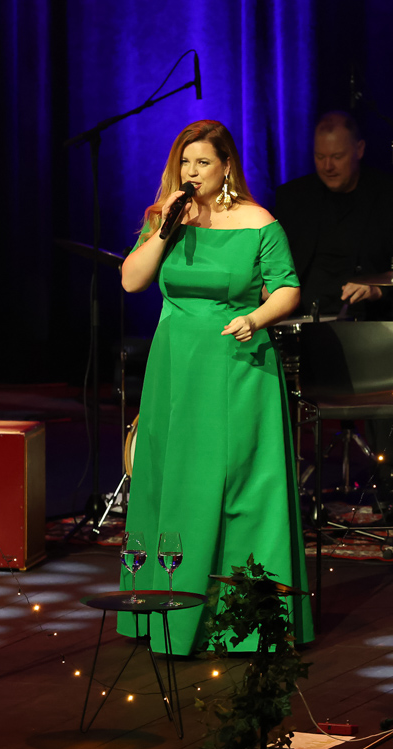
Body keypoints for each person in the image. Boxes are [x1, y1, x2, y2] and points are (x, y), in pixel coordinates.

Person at [118, 120, 312, 654]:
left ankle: (243, 621)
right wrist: (165, 228)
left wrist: (256, 317)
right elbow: (132, 280)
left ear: (226, 166)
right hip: (175, 365)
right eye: (185, 162)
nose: (192, 172)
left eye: (203, 162)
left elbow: (288, 289)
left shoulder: (259, 222)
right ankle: (165, 614)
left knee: (237, 485)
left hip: (236, 362)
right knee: (170, 479)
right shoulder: (166, 218)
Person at [274, 111, 393, 319]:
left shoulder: (392, 196)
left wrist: (379, 291)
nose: (328, 166)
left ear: (359, 149)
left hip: (367, 320)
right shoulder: (293, 197)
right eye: (320, 157)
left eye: (337, 157)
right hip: (302, 319)